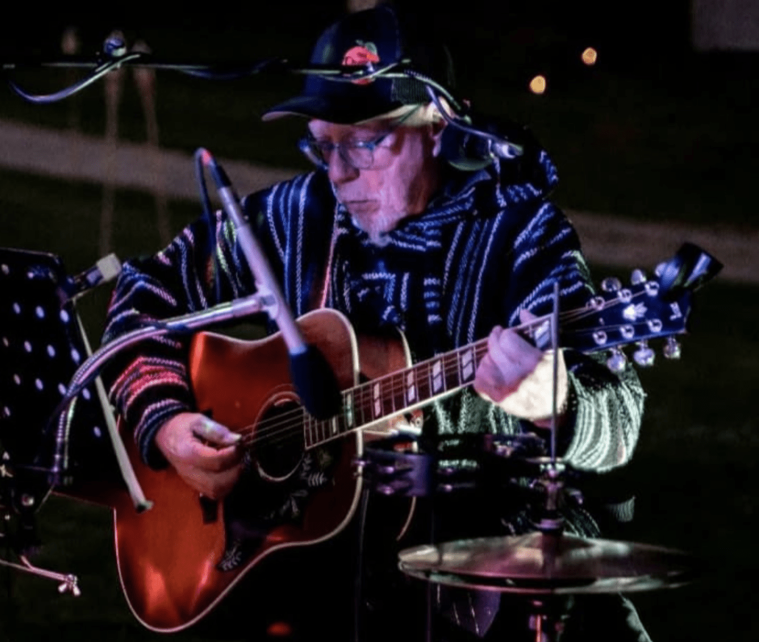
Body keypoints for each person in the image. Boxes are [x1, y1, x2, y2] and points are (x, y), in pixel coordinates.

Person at [100, 4, 651, 640]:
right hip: (322, 570)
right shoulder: (299, 216)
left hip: (490, 572)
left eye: (365, 141)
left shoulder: (520, 232)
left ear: (438, 127)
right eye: (322, 143)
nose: (338, 172)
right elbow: (145, 292)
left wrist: (556, 404)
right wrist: (164, 421)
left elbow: (621, 422)